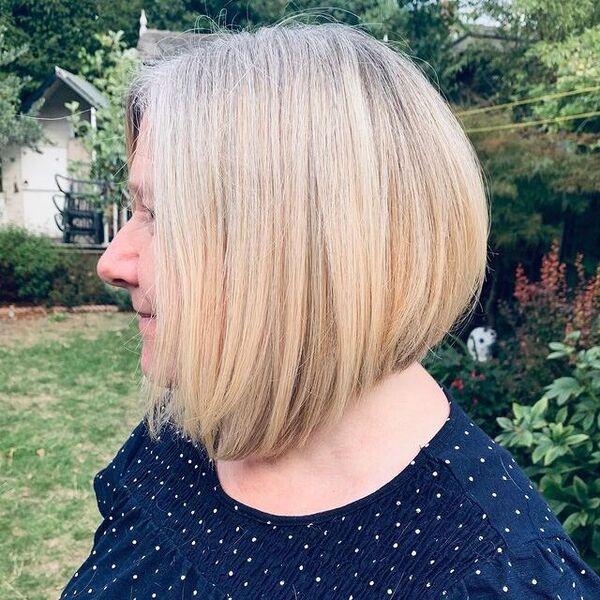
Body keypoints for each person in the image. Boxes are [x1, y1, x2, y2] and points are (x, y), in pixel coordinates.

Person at [60, 21, 600, 599]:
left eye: (161, 215)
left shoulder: (499, 578)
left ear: (310, 254)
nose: (113, 261)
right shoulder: (199, 426)